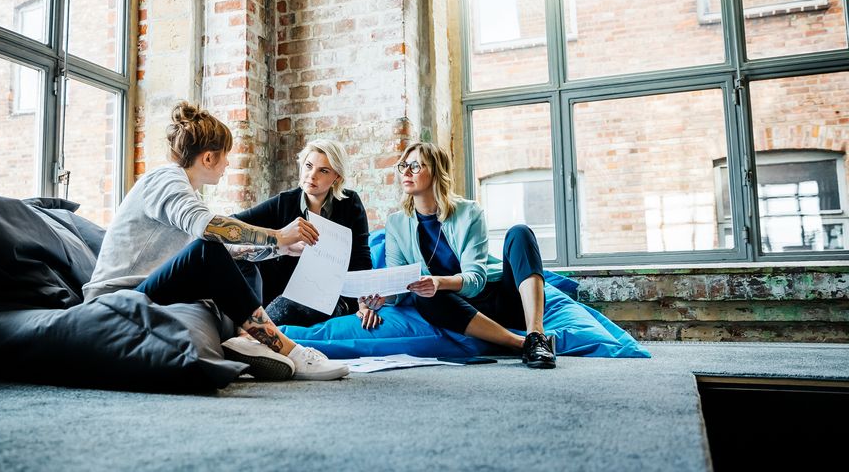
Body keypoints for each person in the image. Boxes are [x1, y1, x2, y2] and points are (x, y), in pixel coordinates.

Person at [82, 101, 349, 381]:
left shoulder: (185, 190)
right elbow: (209, 229)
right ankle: (289, 350)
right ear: (209, 158)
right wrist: (279, 235)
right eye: (225, 156)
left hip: (145, 293)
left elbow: (228, 248)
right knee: (208, 249)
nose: (228, 164)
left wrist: (278, 248)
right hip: (115, 302)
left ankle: (246, 339)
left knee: (243, 262)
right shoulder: (165, 180)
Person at [360, 141, 556, 368]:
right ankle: (520, 344)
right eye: (403, 165)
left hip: (496, 301)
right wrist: (382, 298)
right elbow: (401, 286)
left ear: (435, 172)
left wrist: (439, 282)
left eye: (415, 166)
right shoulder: (396, 223)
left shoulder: (469, 212)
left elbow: (476, 280)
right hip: (456, 312)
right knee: (422, 296)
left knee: (520, 233)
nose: (406, 171)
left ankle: (536, 335)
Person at [231, 139, 373, 327]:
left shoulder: (350, 203)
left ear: (336, 178)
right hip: (280, 292)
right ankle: (250, 328)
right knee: (238, 258)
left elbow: (360, 258)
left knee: (292, 304)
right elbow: (233, 223)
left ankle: (252, 334)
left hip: (329, 297)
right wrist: (281, 239)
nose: (311, 175)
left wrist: (362, 303)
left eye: (323, 170)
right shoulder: (284, 203)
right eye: (308, 166)